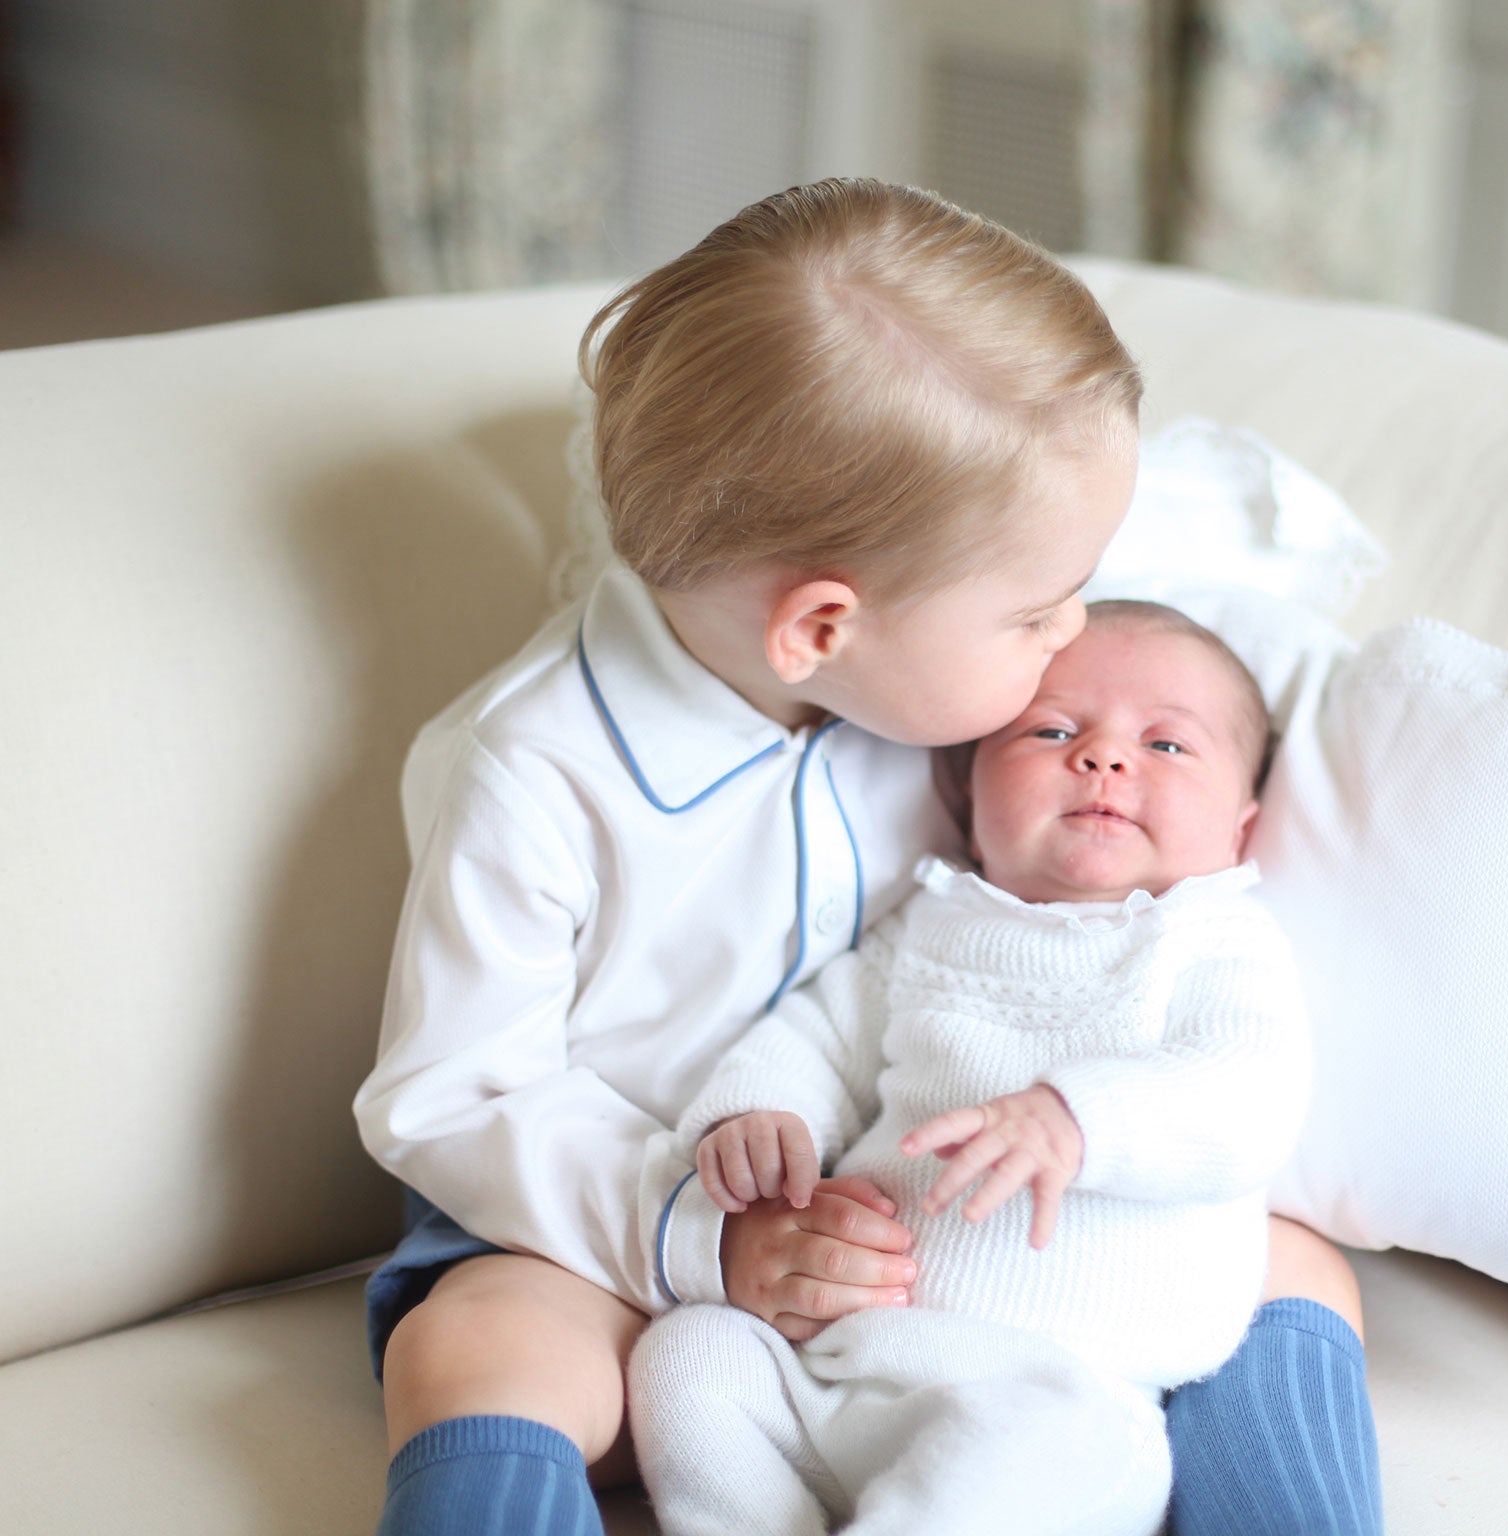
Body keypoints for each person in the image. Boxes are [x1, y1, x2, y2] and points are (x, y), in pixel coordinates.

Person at [354, 179, 1378, 1536]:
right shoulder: (534, 772)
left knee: (1294, 1260)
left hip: (954, 1231)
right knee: (474, 1342)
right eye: (1036, 610)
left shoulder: (941, 681)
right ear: (823, 628)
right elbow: (447, 1098)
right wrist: (705, 1236)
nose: (1069, 629)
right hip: (622, 1233)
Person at [630, 601, 1314, 1536]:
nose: (1105, 758)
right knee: (691, 1355)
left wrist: (1079, 1120)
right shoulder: (935, 923)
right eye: (1054, 730)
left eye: (1168, 746)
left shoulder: (1214, 941)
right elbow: (821, 1034)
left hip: (1064, 1392)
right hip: (841, 1367)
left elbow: (1252, 1096)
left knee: (1038, 1451)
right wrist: (757, 1114)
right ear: (968, 789)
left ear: (1240, 828)